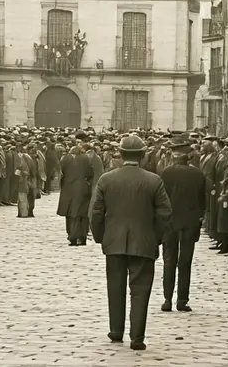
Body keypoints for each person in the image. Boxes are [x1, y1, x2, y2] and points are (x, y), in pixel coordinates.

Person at [89, 134, 172, 351]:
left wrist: (101, 237)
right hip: (144, 242)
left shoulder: (106, 179)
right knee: (140, 290)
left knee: (115, 287)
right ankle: (137, 337)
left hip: (114, 242)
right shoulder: (154, 180)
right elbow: (165, 213)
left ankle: (116, 330)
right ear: (143, 155)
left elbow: (96, 213)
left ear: (120, 154)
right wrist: (156, 237)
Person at [159, 138, 206, 312]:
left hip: (170, 221)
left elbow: (161, 198)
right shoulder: (198, 174)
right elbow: (203, 200)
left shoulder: (167, 173)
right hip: (190, 221)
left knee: (169, 260)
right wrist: (200, 217)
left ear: (174, 155)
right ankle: (182, 300)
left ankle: (167, 299)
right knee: (185, 261)